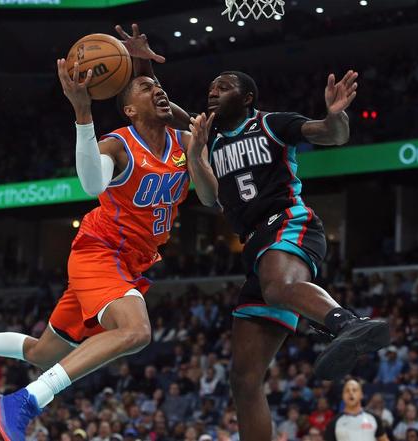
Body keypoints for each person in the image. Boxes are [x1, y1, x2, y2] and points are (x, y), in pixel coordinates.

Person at [0, 26, 207, 441]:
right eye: (146, 87)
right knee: (136, 331)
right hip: (101, 251)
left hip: (131, 262)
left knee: (43, 352)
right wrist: (83, 113)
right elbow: (91, 185)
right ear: (128, 110)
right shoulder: (118, 145)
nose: (158, 91)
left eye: (158, 86)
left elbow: (208, 184)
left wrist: (142, 69)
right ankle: (27, 400)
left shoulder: (185, 141)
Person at [163, 69, 391, 441]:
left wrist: (335, 115)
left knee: (277, 286)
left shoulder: (272, 124)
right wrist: (195, 155)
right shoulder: (209, 135)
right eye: (211, 87)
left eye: (224, 87)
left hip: (288, 221)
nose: (213, 92)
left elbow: (332, 134)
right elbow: (207, 194)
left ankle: (347, 323)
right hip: (255, 247)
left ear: (247, 97)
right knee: (244, 379)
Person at [324, 379, 389, 441]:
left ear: (361, 395)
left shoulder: (374, 418)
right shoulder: (334, 422)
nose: (351, 393)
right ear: (343, 396)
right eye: (347, 391)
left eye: (354, 390)